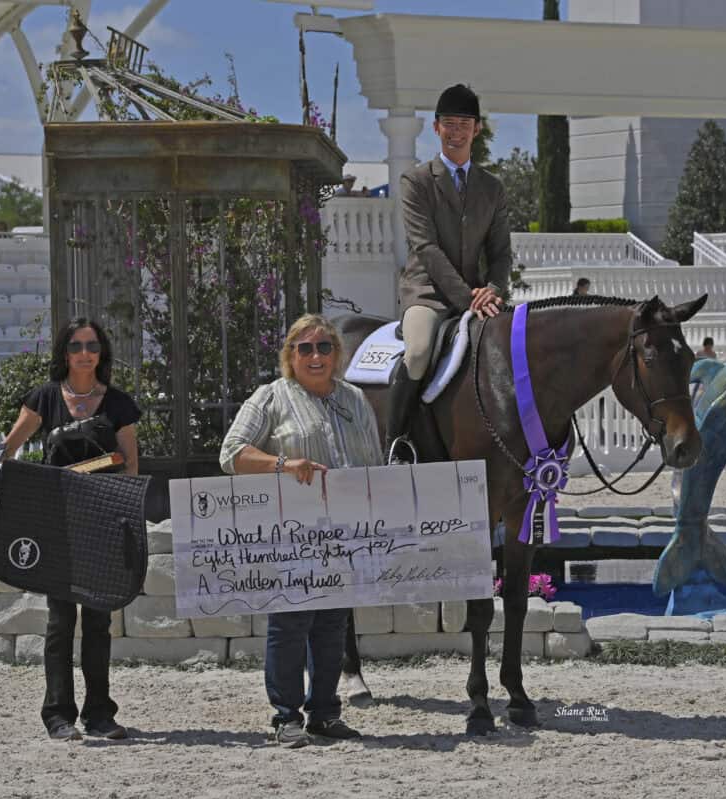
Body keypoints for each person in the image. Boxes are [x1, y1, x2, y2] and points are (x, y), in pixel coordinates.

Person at [219, 313, 382, 748]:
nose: (315, 356)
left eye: (323, 347)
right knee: (290, 622)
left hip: (344, 531)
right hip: (290, 532)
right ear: (290, 355)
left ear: (336, 354)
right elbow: (230, 454)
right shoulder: (270, 398)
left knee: (332, 623)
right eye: (304, 348)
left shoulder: (355, 400)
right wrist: (283, 465)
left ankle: (325, 713)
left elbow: (375, 463)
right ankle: (286, 716)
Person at [2, 317, 141, 741]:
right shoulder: (44, 398)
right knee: (60, 622)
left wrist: (125, 517)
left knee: (99, 622)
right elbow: (8, 450)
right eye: (77, 345)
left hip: (100, 524)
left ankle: (99, 712)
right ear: (65, 352)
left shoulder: (118, 403)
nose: (85, 353)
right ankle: (57, 714)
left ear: (102, 352)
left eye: (93, 346)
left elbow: (131, 464)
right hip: (56, 523)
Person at [385, 83, 513, 462]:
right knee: (420, 351)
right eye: (449, 123)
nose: (456, 131)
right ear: (436, 128)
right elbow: (425, 248)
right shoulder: (417, 181)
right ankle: (398, 441)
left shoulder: (493, 187)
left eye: (464, 123)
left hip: (479, 296)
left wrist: (493, 287)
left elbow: (501, 251)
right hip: (427, 293)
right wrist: (468, 297)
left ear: (477, 129)